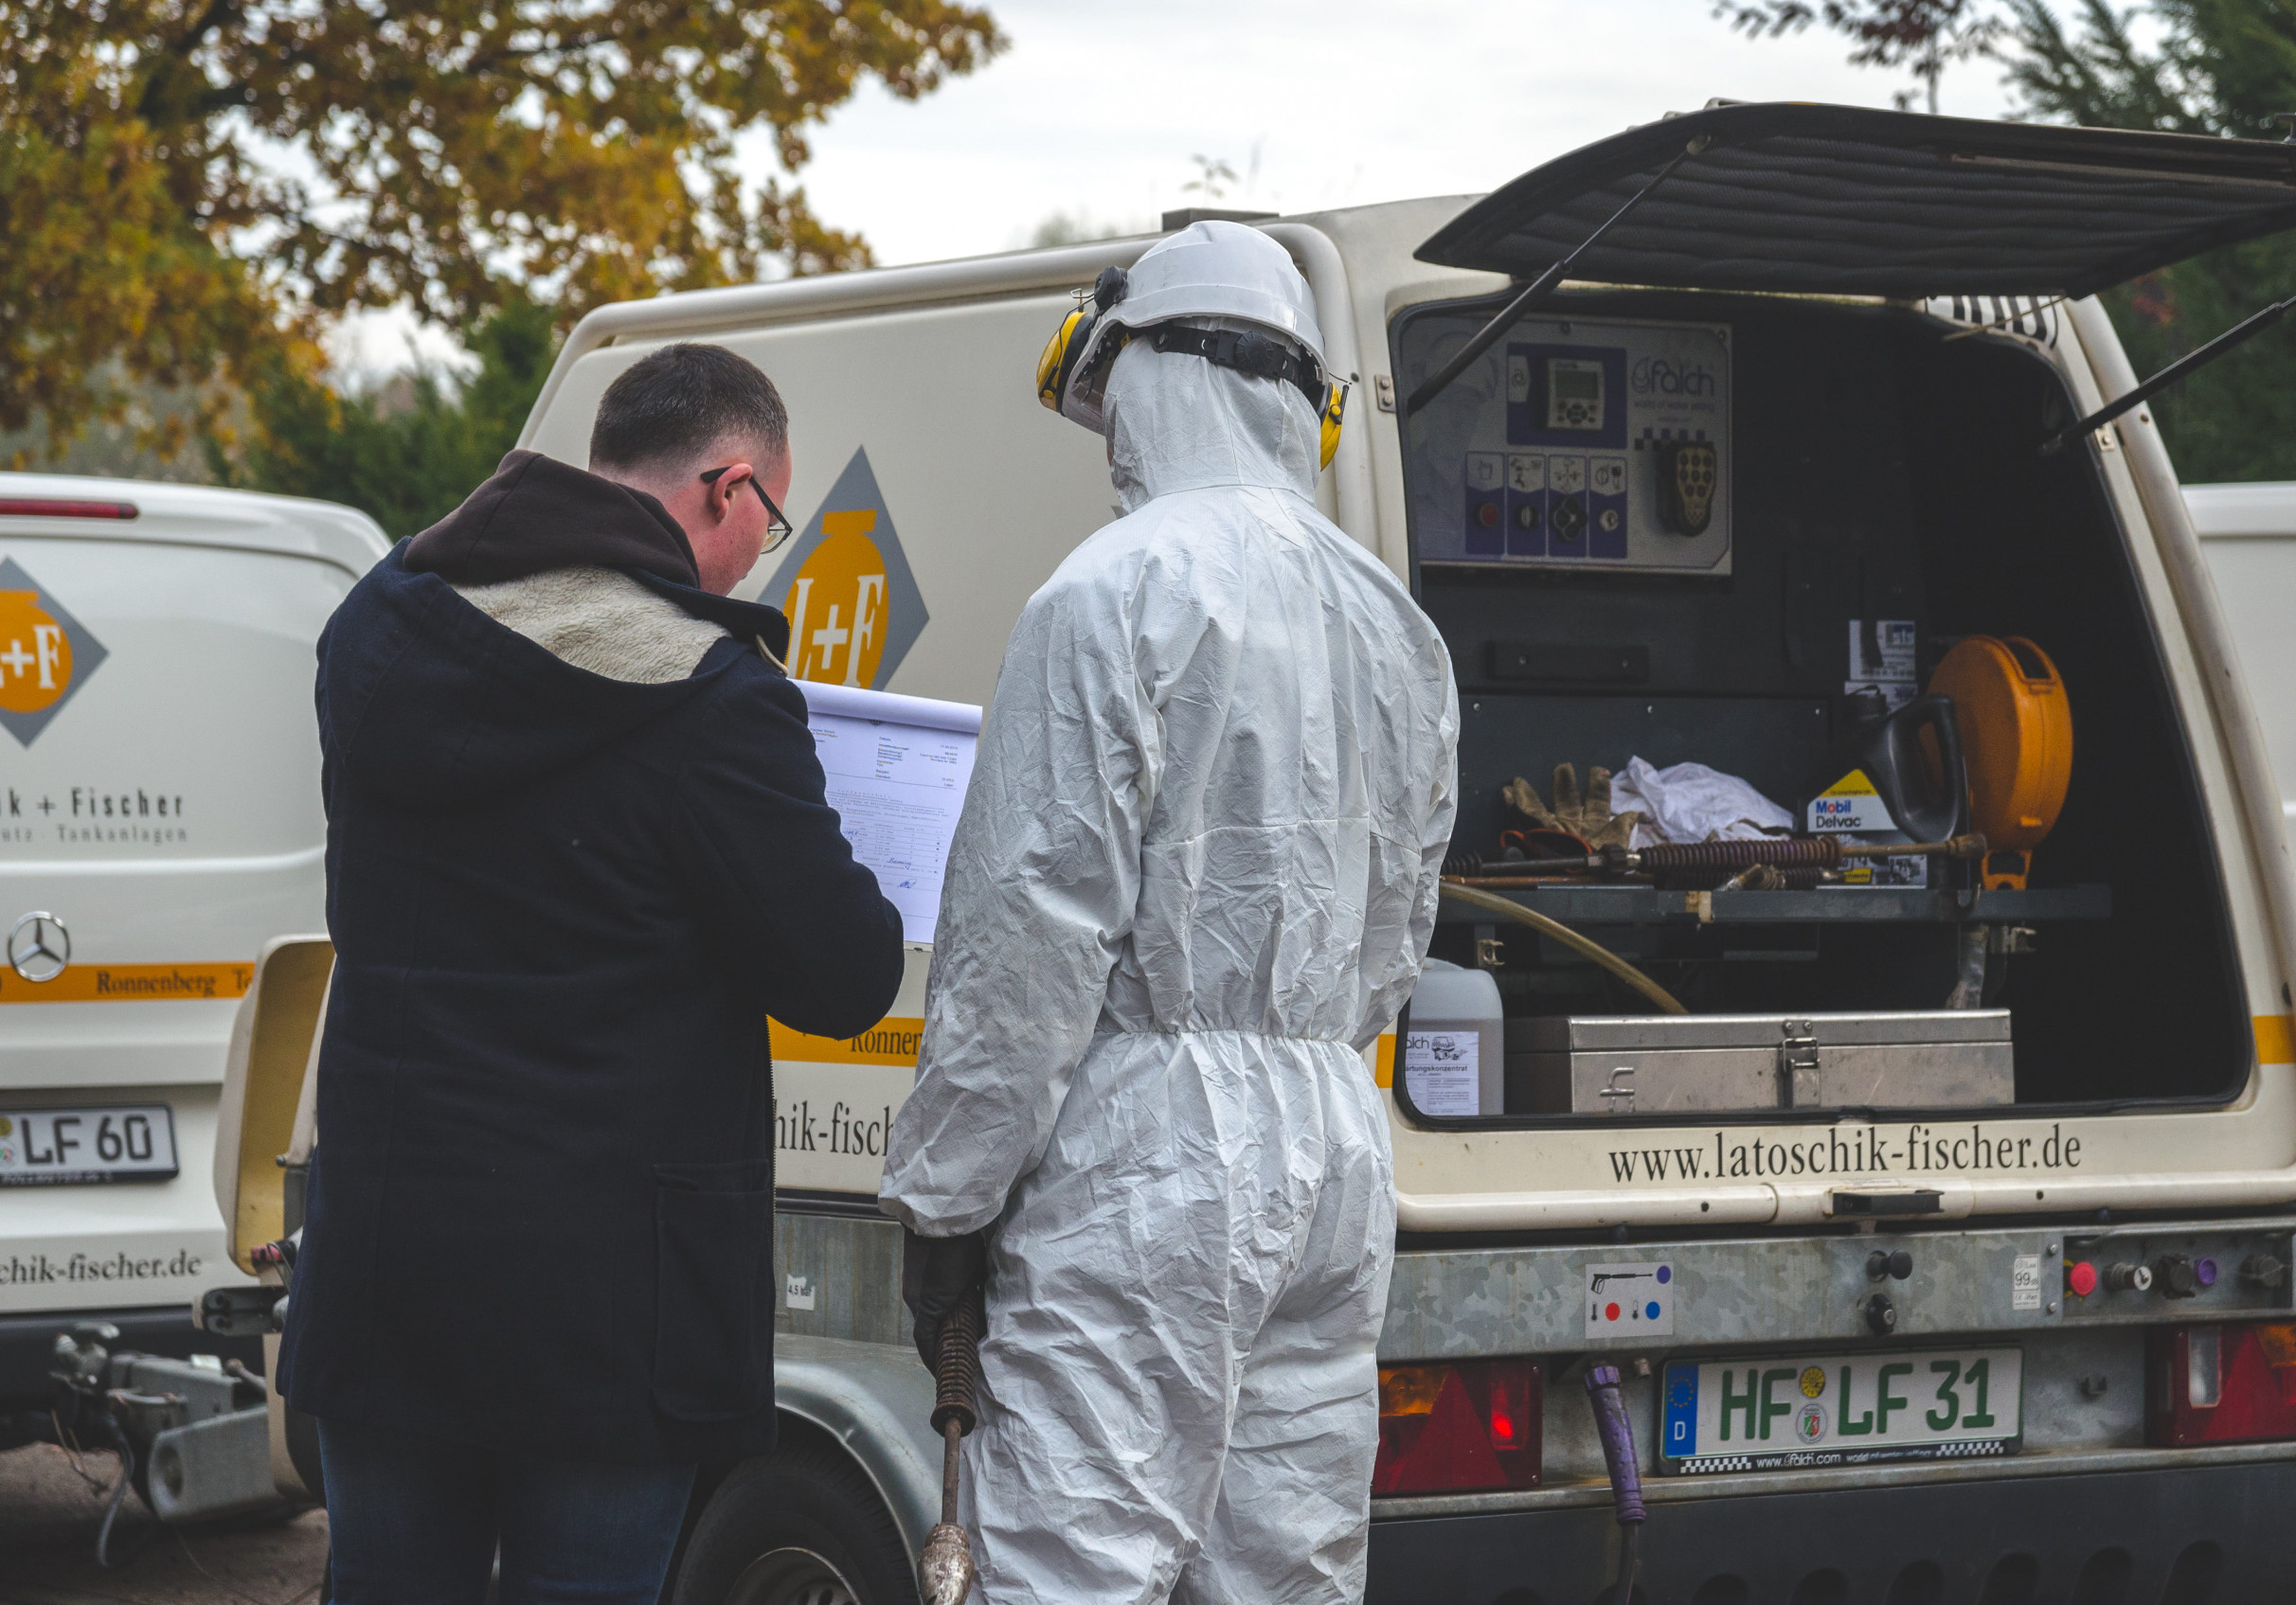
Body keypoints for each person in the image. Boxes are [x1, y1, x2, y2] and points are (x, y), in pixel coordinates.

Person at [879, 222, 1460, 1605]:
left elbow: (1029, 939)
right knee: (1286, 1574)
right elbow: (1400, 926)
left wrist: (948, 1200)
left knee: (1066, 1569)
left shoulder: (1107, 594)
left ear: (1150, 374)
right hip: (1334, 1146)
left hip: (1148, 1161)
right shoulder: (1396, 625)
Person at [281, 343, 905, 1605]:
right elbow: (844, 977)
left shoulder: (376, 633)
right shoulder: (712, 697)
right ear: (728, 488)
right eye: (772, 522)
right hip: (609, 1316)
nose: (758, 558)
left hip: (387, 1271)